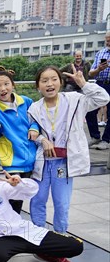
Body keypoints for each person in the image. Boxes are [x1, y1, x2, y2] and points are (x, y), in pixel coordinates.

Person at [28, 66, 109, 233]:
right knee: (37, 199)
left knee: (61, 202)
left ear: (61, 82)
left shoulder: (75, 100)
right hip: (42, 162)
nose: (49, 84)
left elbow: (103, 98)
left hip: (63, 163)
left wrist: (84, 84)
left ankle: (61, 235)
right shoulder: (34, 108)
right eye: (44, 81)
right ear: (38, 86)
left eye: (53, 79)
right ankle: (38, 236)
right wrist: (43, 140)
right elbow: (31, 133)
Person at [0, 71, 35, 214]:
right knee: (14, 201)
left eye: (6, 84)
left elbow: (37, 120)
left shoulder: (26, 101)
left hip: (33, 158)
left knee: (35, 197)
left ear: (13, 84)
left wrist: (34, 128)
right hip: (12, 163)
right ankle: (10, 231)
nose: (3, 89)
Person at [87, 31, 110, 149]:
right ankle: (95, 136)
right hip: (100, 83)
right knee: (90, 109)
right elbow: (91, 73)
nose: (108, 42)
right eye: (107, 40)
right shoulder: (100, 53)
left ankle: (106, 140)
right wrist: (99, 69)